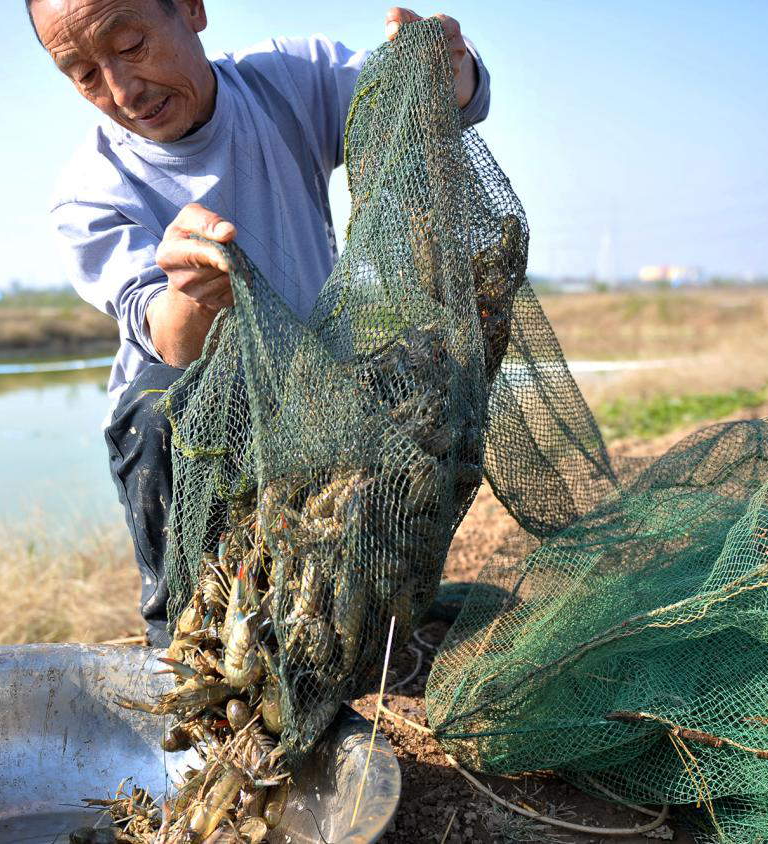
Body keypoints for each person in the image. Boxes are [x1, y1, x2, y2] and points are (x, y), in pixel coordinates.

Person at [29, 0, 492, 646]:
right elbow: (166, 336)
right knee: (163, 414)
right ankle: (182, 641)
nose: (121, 90)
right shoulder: (88, 193)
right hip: (190, 437)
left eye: (129, 42)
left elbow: (426, 106)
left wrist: (447, 69)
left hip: (318, 396)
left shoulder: (288, 79)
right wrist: (193, 294)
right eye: (82, 74)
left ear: (190, 9)